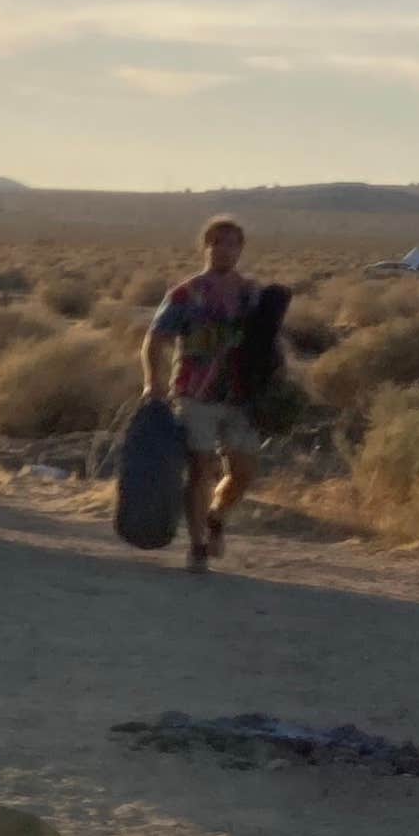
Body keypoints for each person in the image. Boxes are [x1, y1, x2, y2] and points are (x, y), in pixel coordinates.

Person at [144, 216, 269, 572]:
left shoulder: (253, 294)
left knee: (243, 472)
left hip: (240, 395)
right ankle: (198, 544)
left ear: (240, 249)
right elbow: (156, 339)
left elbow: (269, 342)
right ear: (206, 247)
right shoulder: (186, 294)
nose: (223, 249)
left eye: (231, 243)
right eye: (216, 242)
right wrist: (152, 381)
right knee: (200, 469)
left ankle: (217, 516)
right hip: (194, 393)